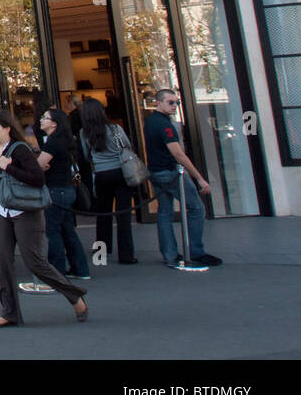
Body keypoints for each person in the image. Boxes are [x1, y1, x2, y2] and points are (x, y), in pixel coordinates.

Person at [0, 107, 88, 327]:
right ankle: (9, 312)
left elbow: (37, 179)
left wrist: (10, 168)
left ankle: (74, 295)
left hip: (26, 210)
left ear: (6, 128)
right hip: (1, 209)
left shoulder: (19, 149)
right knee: (2, 262)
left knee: (35, 263)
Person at [144, 89, 221, 268]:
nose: (174, 106)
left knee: (164, 213)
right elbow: (178, 154)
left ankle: (170, 254)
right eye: (170, 102)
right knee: (196, 208)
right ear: (159, 102)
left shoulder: (151, 122)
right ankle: (196, 251)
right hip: (170, 172)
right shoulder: (164, 125)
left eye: (176, 102)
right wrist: (199, 178)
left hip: (156, 172)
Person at [79, 99, 137, 265]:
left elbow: (86, 155)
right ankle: (126, 254)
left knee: (103, 213)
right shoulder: (115, 129)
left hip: (101, 173)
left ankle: (101, 251)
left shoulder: (85, 133)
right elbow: (126, 145)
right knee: (123, 214)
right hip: (120, 172)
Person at [37, 107, 90, 280]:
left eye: (45, 117)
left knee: (52, 231)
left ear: (54, 123)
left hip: (56, 190)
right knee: (68, 230)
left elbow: (39, 164)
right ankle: (80, 268)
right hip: (66, 188)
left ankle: (57, 270)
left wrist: (40, 165)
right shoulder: (64, 140)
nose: (41, 119)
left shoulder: (53, 141)